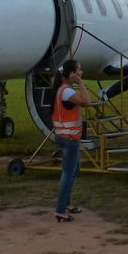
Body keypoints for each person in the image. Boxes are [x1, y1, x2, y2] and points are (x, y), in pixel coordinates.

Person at [51, 59, 94, 222]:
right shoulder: (67, 92)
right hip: (69, 137)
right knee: (68, 173)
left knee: (74, 170)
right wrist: (81, 83)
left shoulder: (63, 89)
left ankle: (66, 203)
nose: (81, 73)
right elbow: (86, 102)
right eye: (79, 71)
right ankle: (60, 209)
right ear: (72, 75)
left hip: (66, 136)